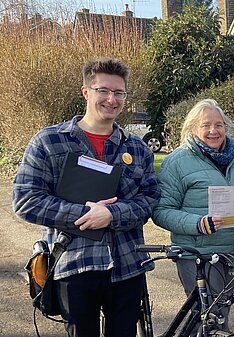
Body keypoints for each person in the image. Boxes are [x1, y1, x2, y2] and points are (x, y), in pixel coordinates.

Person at [12, 57, 160, 337]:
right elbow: (25, 200)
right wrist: (83, 214)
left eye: (119, 93)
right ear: (86, 92)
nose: (111, 99)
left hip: (127, 265)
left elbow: (150, 198)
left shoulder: (137, 148)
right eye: (103, 90)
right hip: (74, 263)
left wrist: (111, 215)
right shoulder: (49, 141)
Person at [152, 98, 234, 332]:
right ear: (193, 128)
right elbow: (161, 211)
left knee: (221, 315)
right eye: (206, 125)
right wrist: (198, 223)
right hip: (196, 254)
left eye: (219, 124)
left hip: (230, 252)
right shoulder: (177, 162)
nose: (214, 131)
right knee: (203, 317)